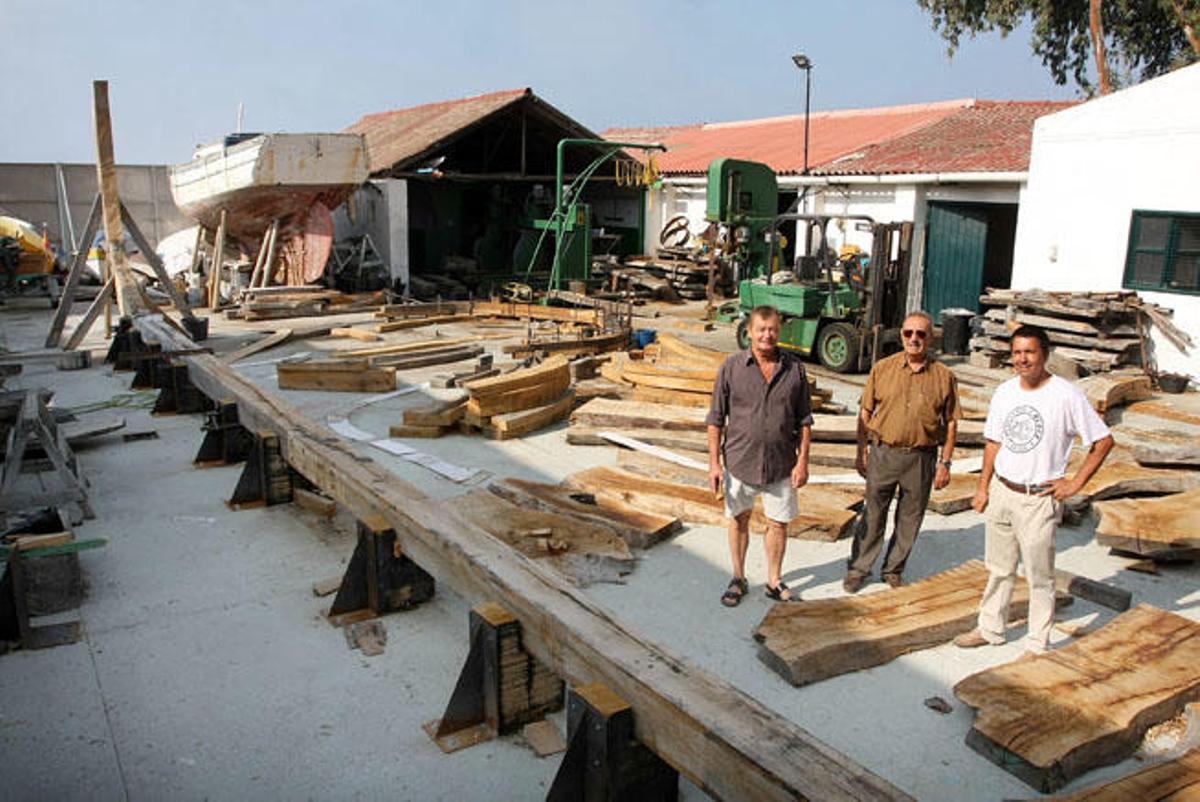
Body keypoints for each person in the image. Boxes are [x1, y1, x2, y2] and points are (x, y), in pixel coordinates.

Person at [955, 325, 1114, 655]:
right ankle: (990, 628)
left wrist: (1075, 483)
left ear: (1045, 354)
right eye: (1016, 353)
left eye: (1029, 352)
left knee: (1039, 576)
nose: (1022, 359)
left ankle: (1037, 642)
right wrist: (983, 488)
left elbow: (1103, 441)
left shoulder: (1067, 396)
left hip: (1038, 499)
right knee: (999, 569)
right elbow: (993, 443)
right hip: (1002, 491)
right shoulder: (1005, 392)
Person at [845, 311, 960, 593]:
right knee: (873, 513)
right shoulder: (882, 369)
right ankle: (859, 568)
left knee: (910, 517)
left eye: (921, 334)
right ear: (901, 336)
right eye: (909, 333)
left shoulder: (944, 377)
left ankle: (893, 569)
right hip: (884, 453)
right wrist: (862, 449)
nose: (914, 339)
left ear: (930, 338)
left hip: (921, 457)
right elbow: (865, 411)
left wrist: (945, 462)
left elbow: (952, 421)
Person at [707, 305, 813, 606]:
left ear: (780, 332)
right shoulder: (731, 368)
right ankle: (738, 577)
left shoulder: (795, 369)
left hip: (782, 464)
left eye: (773, 329)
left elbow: (805, 421)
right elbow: (716, 418)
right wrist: (714, 463)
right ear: (750, 332)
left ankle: (774, 580)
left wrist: (803, 461)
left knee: (778, 523)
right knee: (739, 520)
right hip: (740, 461)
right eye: (761, 329)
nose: (767, 335)